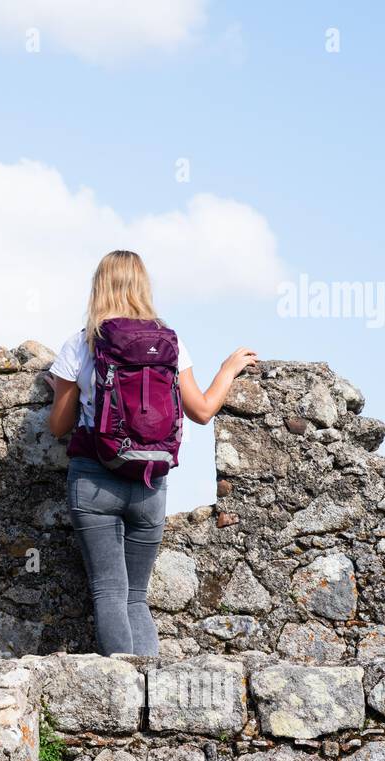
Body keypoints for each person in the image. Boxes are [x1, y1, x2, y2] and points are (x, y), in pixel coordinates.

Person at [45, 250, 257, 657]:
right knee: (136, 596)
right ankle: (152, 696)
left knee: (109, 591)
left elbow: (58, 426)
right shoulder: (169, 343)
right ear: (144, 287)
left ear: (98, 287)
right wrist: (228, 369)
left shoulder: (82, 343)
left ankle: (122, 689)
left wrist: (60, 387)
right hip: (151, 483)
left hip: (94, 478)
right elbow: (202, 411)